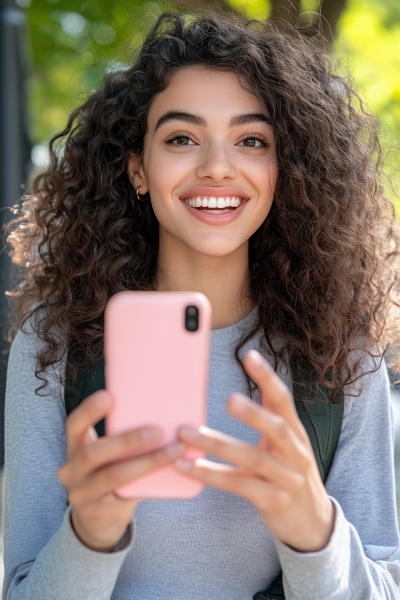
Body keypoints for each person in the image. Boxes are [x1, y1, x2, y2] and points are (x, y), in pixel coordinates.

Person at [3, 11, 400, 600]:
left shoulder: (341, 351)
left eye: (251, 140)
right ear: (138, 167)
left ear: (283, 170)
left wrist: (315, 532)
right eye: (182, 138)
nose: (217, 165)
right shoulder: (55, 342)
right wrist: (90, 534)